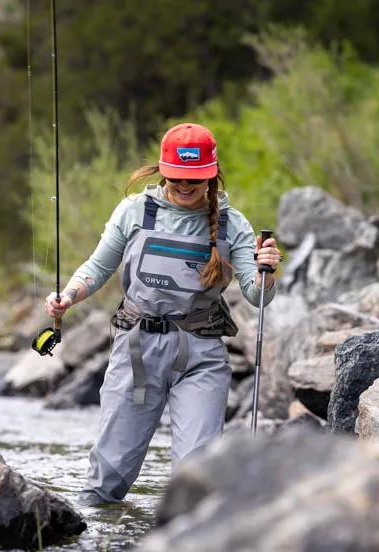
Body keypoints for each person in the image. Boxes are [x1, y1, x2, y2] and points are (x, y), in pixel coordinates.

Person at [44, 123, 281, 506]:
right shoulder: (135, 211)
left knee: (197, 477)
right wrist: (68, 296)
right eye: (175, 178)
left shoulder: (233, 224)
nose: (184, 186)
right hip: (138, 350)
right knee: (108, 475)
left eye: (194, 179)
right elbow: (98, 266)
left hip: (201, 357)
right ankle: (98, 550)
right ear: (161, 171)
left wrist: (264, 274)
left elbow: (257, 297)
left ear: (212, 175)